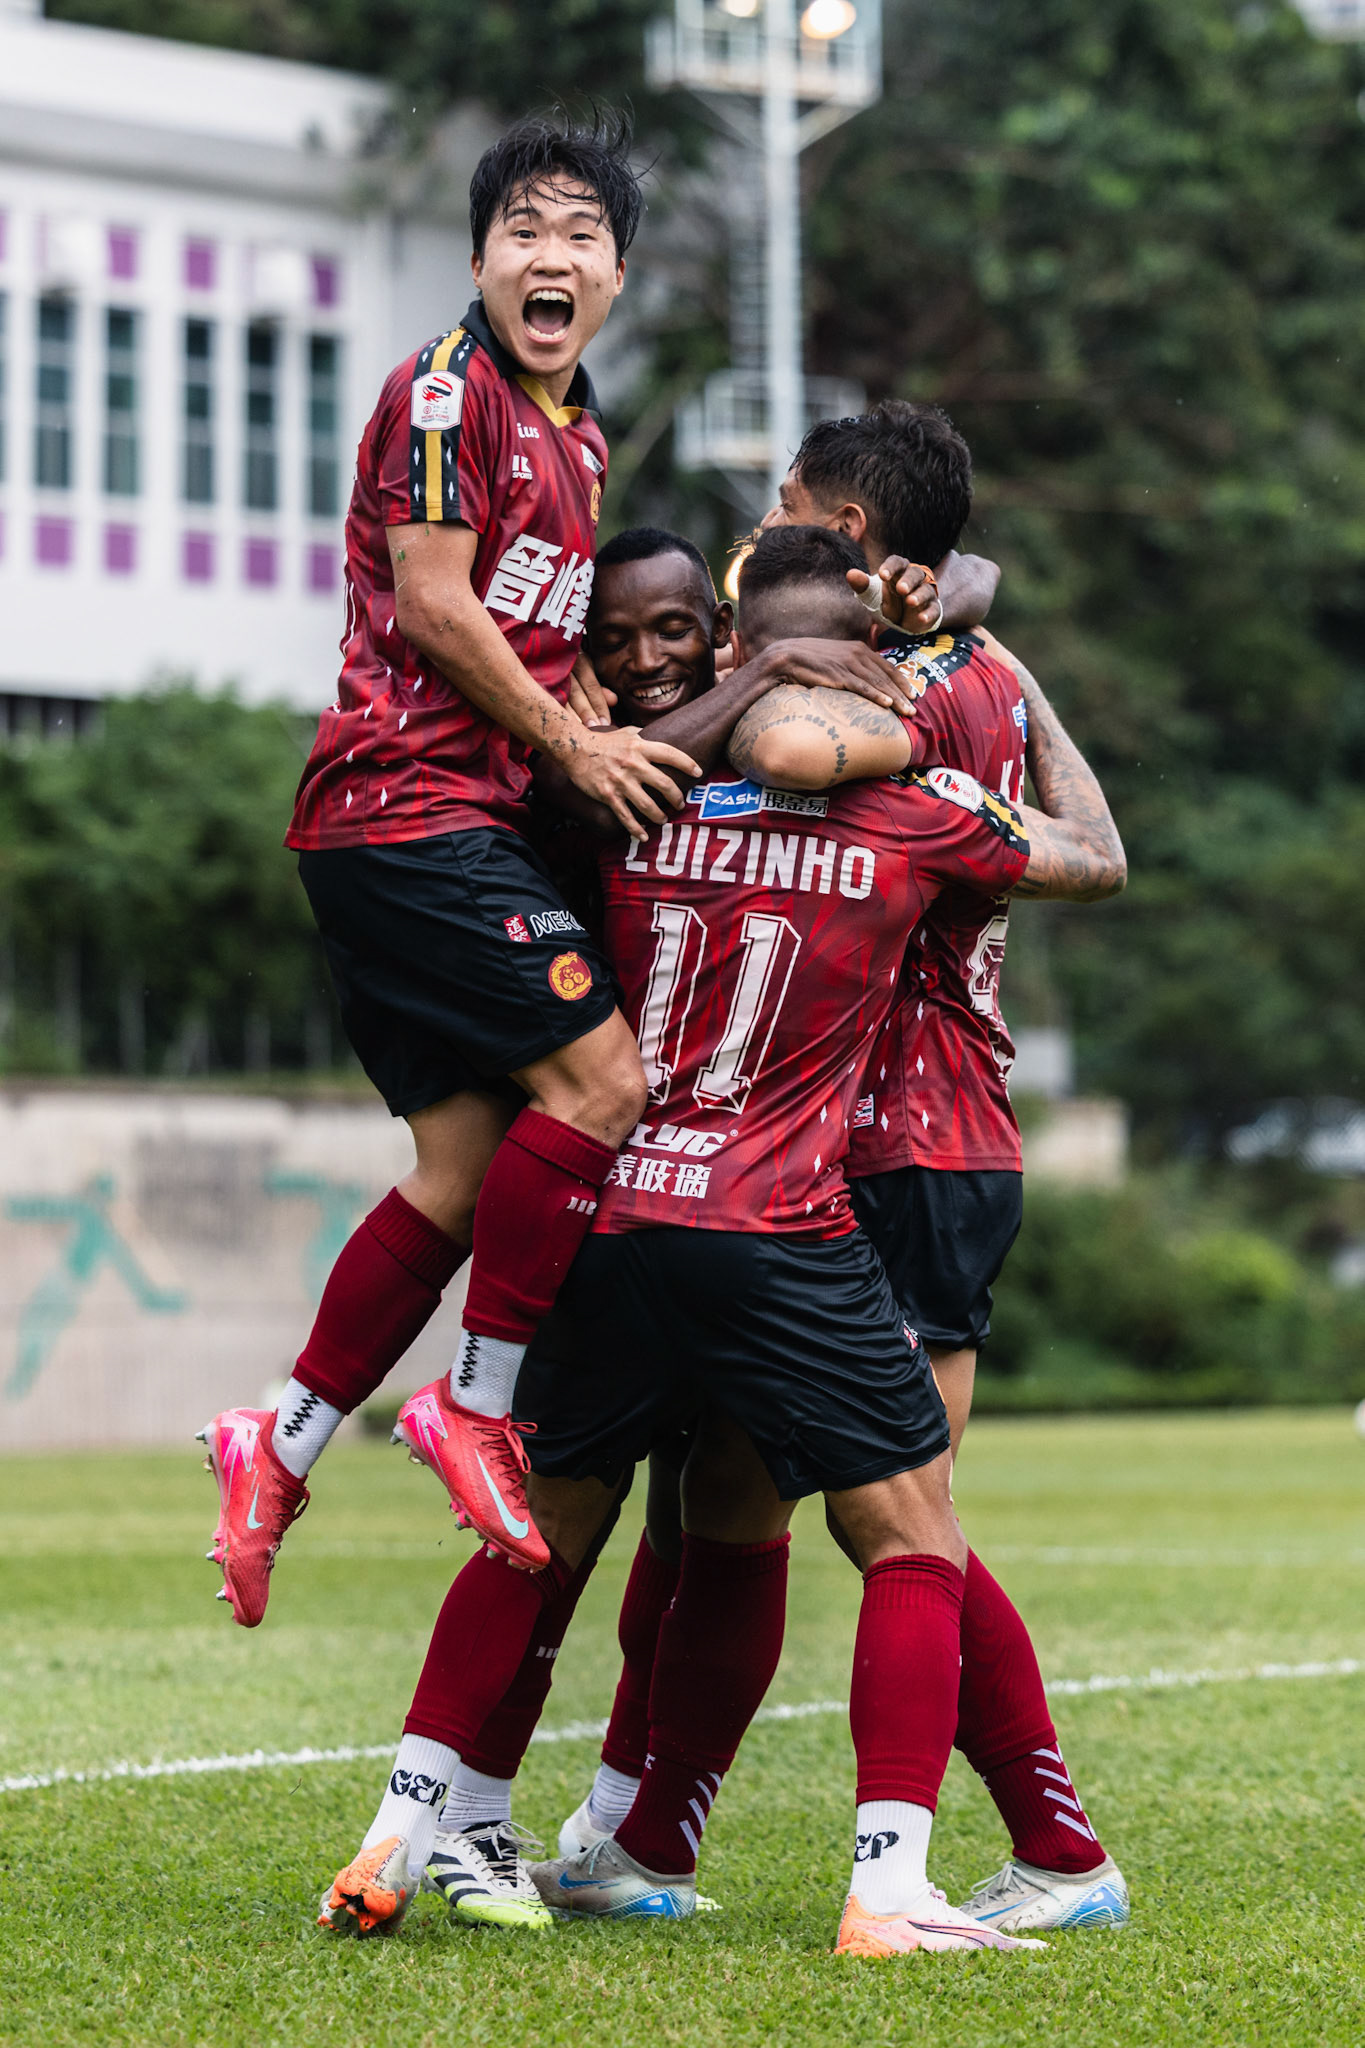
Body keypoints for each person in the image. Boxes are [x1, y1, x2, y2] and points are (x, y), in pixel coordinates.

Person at [317, 525, 1124, 1958]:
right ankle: (887, 1887)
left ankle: (405, 1822)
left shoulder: (638, 793)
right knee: (908, 1536)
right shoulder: (925, 807)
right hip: (780, 1229)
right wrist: (995, 670)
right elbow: (1095, 860)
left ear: (735, 654)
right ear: (867, 671)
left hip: (614, 1214)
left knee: (536, 1542)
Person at [551, 406, 1131, 1936]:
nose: (764, 534)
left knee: (901, 1515)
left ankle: (1052, 1850)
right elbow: (1095, 842)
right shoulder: (975, 670)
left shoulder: (861, 699)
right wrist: (982, 627)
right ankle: (641, 1836)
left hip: (901, 1137)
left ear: (856, 552)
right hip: (815, 1145)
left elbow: (780, 745)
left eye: (790, 513)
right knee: (718, 1499)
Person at [197, 110, 705, 1623]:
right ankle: (470, 1401)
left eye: (579, 238)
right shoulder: (441, 393)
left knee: (469, 1170)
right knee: (605, 1089)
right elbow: (432, 604)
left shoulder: (583, 426)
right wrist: (570, 740)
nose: (548, 260)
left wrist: (586, 699)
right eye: (522, 234)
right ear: (481, 258)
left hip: (428, 824)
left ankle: (276, 1440)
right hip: (409, 808)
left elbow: (526, 619)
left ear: (616, 272)